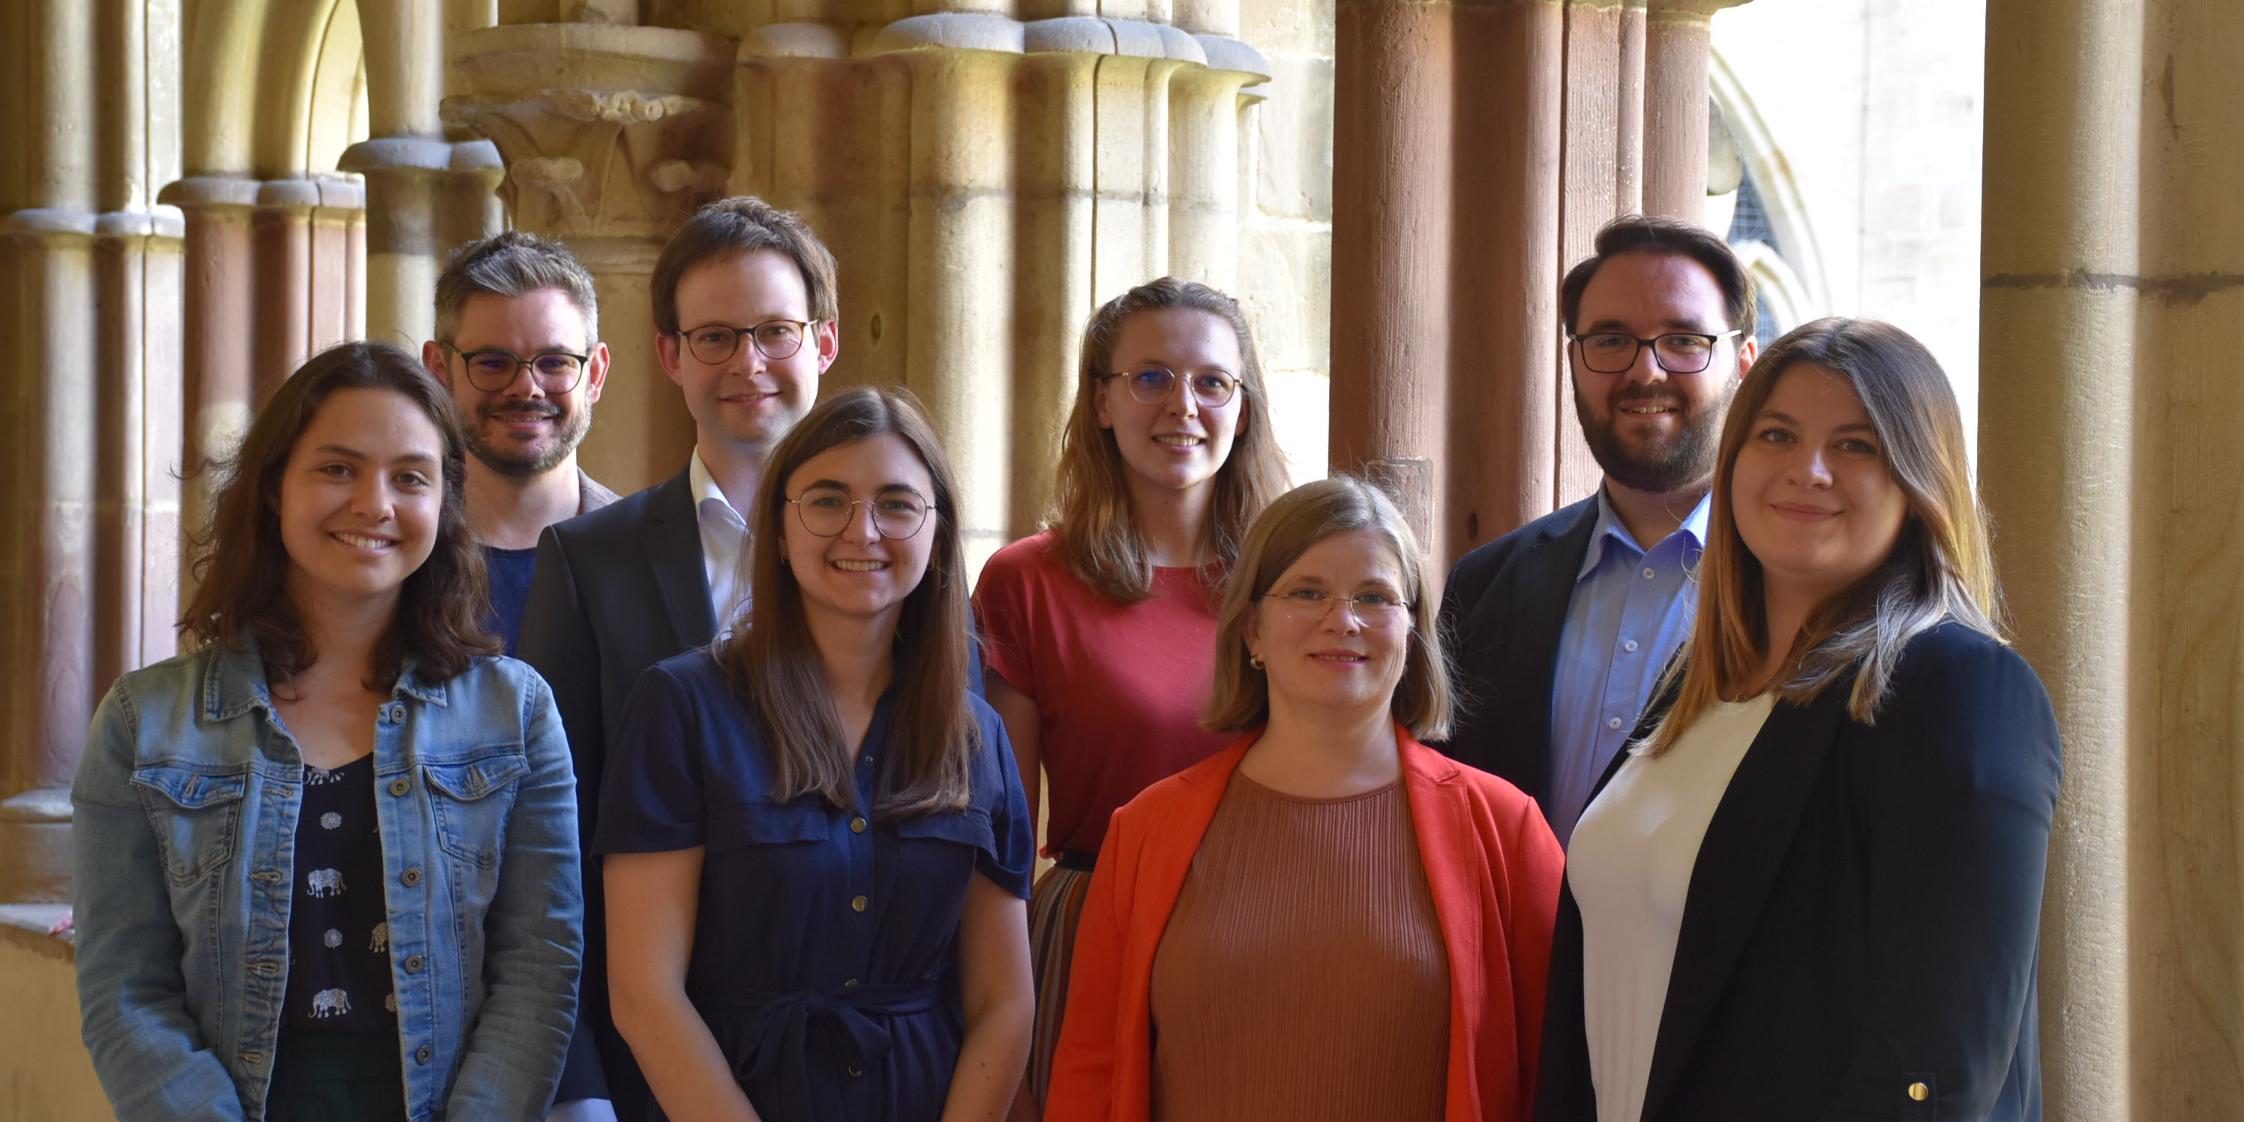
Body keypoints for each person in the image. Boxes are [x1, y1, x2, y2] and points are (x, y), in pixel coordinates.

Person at [1535, 319, 2062, 1122]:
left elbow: (1935, 1068)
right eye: (1776, 434)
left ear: (1919, 483)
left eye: (1856, 445)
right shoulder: (1695, 686)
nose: (1807, 471)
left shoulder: (1959, 687)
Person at [71, 341, 582, 1121]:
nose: (374, 503)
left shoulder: (515, 714)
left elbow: (540, 970)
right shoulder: (143, 725)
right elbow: (125, 991)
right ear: (275, 487)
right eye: (338, 468)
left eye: (409, 477)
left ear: (444, 503)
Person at [1047, 476, 1564, 1122]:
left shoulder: (1506, 831)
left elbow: (1560, 1074)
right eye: (1307, 591)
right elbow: (1088, 1081)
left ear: (1411, 633)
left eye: (1374, 597)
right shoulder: (1145, 831)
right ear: (1252, 631)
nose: (1341, 620)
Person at [597, 387, 1034, 1121]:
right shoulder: (682, 706)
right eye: (828, 501)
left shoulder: (975, 735)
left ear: (936, 533)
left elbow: (1003, 999)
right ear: (779, 528)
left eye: (897, 505)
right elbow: (645, 994)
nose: (862, 531)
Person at [519, 195, 842, 1120]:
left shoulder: (896, 558)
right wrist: (577, 1084)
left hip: (863, 1048)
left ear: (821, 343)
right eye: (714, 337)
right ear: (669, 355)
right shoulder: (590, 562)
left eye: (775, 331)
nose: (749, 363)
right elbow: (553, 844)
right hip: (650, 1055)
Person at [971, 276, 1288, 1108]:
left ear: (1244, 409)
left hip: (1276, 925)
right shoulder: (1027, 581)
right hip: (1097, 924)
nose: (1182, 404)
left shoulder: (1294, 581)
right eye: (1150, 377)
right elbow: (999, 830)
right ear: (1102, 402)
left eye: (1212, 382)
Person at [1439, 215, 1758, 845]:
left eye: (1685, 339)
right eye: (1611, 340)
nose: (1646, 372)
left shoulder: (1796, 589)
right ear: (1574, 360)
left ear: (1743, 363)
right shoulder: (1484, 585)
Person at [422, 230, 619, 657]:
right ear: (439, 369)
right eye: (492, 363)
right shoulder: (401, 552)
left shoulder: (646, 557)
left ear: (596, 374)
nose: (527, 387)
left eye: (554, 363)